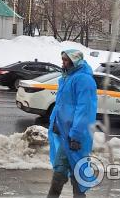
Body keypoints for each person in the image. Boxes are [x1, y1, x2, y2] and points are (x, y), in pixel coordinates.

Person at [47, 49, 97, 197]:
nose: (62, 62)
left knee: (74, 168)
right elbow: (62, 105)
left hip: (75, 135)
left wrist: (75, 135)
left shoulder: (83, 80)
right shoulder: (67, 78)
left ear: (75, 61)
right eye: (62, 59)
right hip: (65, 132)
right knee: (66, 166)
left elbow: (85, 110)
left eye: (66, 60)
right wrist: (55, 124)